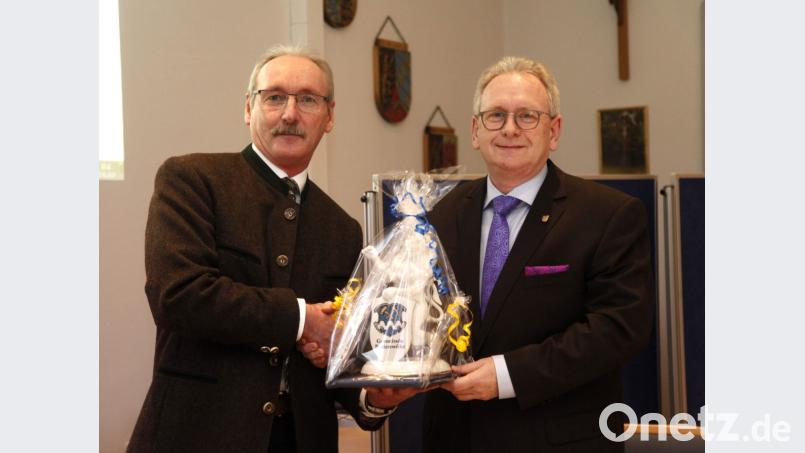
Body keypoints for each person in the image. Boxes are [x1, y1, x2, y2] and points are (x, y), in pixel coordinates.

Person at [127, 44, 408, 453]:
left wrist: (371, 398)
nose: (290, 114)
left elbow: (336, 349)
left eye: (308, 99)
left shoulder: (342, 229)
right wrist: (301, 319)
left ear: (329, 117)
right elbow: (178, 296)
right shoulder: (192, 180)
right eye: (274, 97)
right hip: (198, 435)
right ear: (248, 108)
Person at [422, 57, 654, 452]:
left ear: (555, 130)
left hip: (559, 441)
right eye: (496, 115)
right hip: (454, 438)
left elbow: (618, 330)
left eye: (527, 116)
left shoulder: (608, 214)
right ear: (476, 131)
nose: (510, 128)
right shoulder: (439, 216)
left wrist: (506, 374)